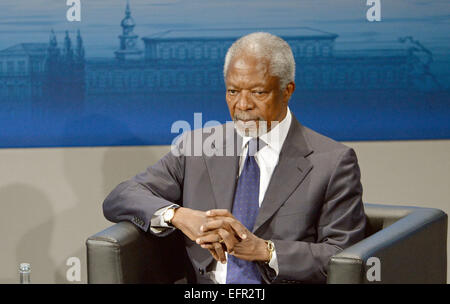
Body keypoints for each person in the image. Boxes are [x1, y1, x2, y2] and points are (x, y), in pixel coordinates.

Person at [103, 32, 366, 284]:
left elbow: (343, 257)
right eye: (233, 91)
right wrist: (180, 216)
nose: (242, 105)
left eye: (258, 92)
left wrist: (265, 250)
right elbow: (121, 196)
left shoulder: (331, 162)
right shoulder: (199, 147)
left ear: (287, 91)